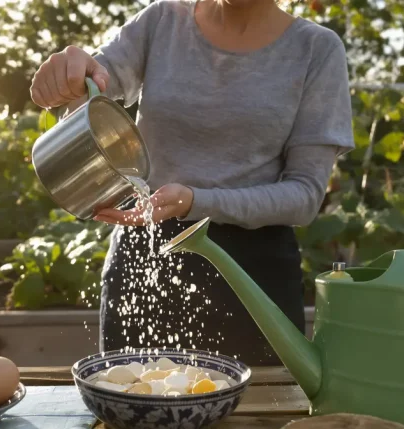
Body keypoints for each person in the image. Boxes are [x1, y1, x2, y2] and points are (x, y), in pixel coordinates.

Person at [30, 0, 355, 365]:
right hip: (146, 255)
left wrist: (196, 201)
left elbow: (305, 195)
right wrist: (71, 76)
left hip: (250, 276)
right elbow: (96, 84)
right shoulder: (161, 21)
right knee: (132, 402)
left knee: (255, 415)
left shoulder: (315, 49)